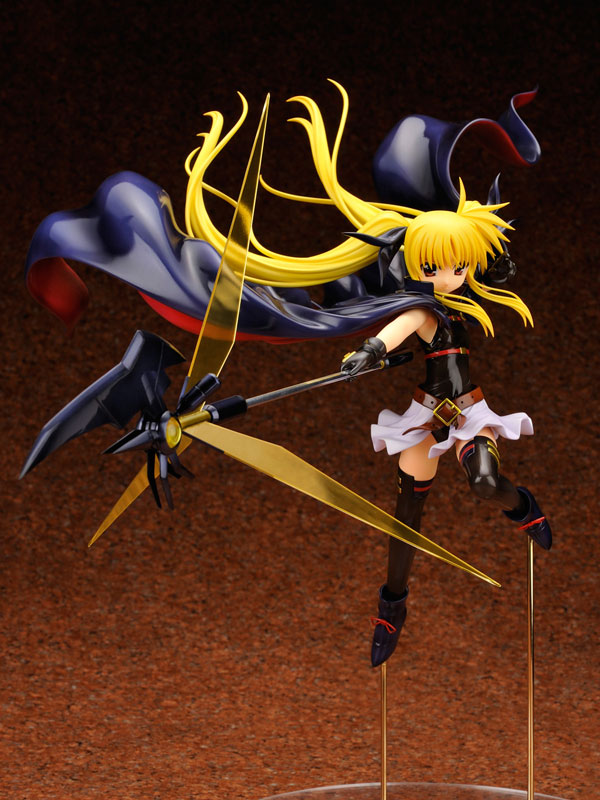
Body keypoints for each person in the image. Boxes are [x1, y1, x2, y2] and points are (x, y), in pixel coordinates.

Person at [340, 181, 552, 667]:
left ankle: (522, 506)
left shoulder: (463, 301)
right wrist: (369, 351)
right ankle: (392, 608)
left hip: (470, 412)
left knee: (485, 483)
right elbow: (398, 328)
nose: (449, 277)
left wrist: (493, 262)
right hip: (426, 417)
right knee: (406, 519)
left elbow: (482, 270)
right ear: (415, 265)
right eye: (433, 267)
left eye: (458, 267)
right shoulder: (422, 309)